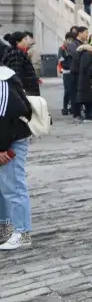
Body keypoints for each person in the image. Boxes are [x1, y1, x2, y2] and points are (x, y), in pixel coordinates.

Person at [0, 64, 33, 251]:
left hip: (9, 141)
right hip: (5, 140)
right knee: (3, 188)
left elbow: (6, 116)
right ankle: (4, 228)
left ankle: (22, 232)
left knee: (14, 187)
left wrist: (2, 147)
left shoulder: (3, 81)